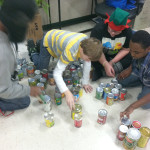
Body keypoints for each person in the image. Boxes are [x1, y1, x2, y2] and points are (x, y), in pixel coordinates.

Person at [28, 29, 103, 110]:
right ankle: (33, 51)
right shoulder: (70, 51)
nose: (89, 61)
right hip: (48, 41)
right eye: (88, 58)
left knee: (68, 61)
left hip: (59, 39)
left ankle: (39, 45)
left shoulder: (86, 42)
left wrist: (85, 82)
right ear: (82, 50)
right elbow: (56, 73)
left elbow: (87, 63)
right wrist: (67, 92)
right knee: (40, 70)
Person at [0, 0, 41, 113]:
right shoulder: (3, 52)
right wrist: (29, 90)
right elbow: (4, 90)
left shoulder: (3, 14)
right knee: (24, 101)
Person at [90, 8, 132, 81]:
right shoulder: (98, 29)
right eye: (110, 29)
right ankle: (109, 69)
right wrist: (105, 63)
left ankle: (101, 72)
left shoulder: (128, 32)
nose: (112, 34)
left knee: (131, 56)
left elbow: (126, 49)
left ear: (122, 29)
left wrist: (112, 62)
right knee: (91, 53)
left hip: (116, 55)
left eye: (116, 32)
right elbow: (96, 50)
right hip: (101, 54)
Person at [118, 30, 150, 118]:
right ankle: (142, 81)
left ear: (148, 49)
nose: (132, 54)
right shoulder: (137, 41)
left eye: (136, 52)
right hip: (141, 72)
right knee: (120, 81)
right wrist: (130, 68)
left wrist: (132, 106)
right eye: (131, 50)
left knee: (144, 104)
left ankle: (145, 84)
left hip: (147, 78)